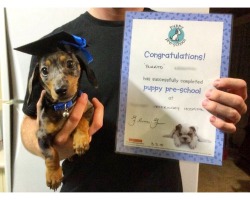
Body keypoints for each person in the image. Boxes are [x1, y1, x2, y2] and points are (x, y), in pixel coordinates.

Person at [20, 8, 248, 192]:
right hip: (84, 187)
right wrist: (56, 149)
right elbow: (29, 123)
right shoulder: (54, 47)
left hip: (160, 188)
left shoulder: (183, 33)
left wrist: (219, 107)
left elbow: (201, 101)